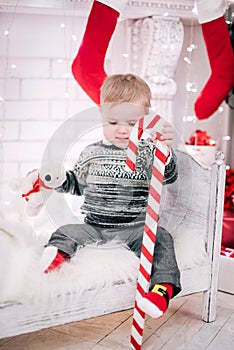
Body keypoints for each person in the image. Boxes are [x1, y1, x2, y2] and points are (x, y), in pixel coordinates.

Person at [41, 73, 181, 319]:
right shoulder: (91, 152)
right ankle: (53, 261)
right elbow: (77, 184)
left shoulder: (149, 153)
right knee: (65, 230)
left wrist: (166, 153)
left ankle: (161, 291)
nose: (122, 131)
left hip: (135, 228)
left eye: (131, 123)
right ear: (102, 116)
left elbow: (168, 176)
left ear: (145, 120)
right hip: (94, 227)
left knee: (162, 238)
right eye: (113, 122)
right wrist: (61, 180)